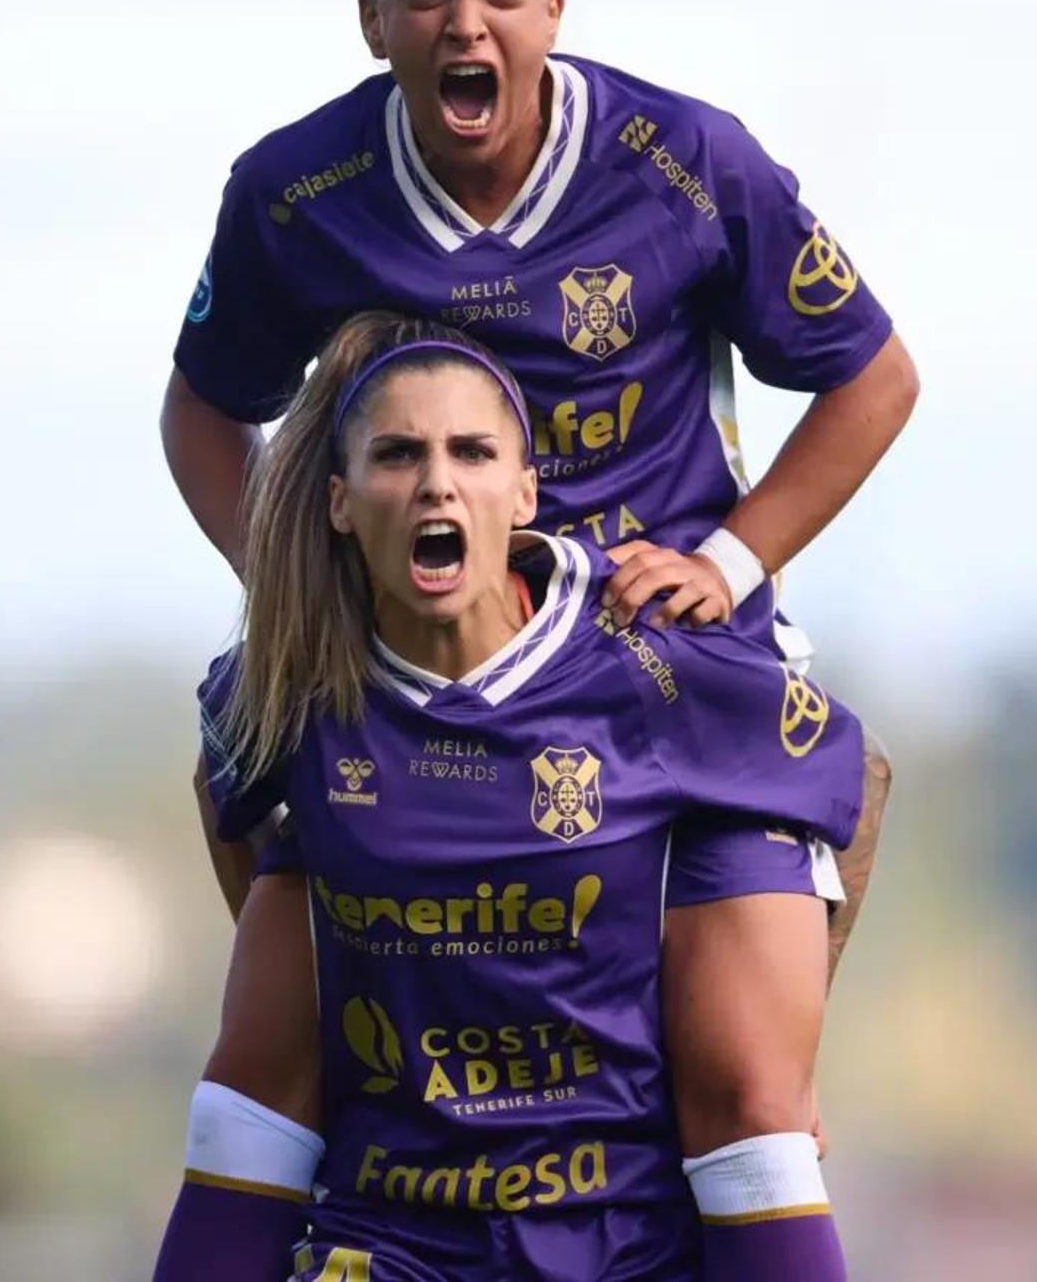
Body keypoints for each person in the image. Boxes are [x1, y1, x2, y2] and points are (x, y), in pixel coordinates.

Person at [161, 0, 911, 931]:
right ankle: (315, 1090)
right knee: (234, 773)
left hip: (640, 628)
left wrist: (731, 561)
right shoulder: (295, 193)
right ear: (373, 20)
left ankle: (758, 1107)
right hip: (407, 634)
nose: (468, 21)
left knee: (851, 790)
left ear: (554, 8)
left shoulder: (688, 163)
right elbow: (204, 412)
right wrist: (298, 587)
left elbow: (875, 377)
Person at [155, 314, 871, 1282]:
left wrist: (791, 1031)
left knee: (758, 1123)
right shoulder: (295, 682)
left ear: (524, 491)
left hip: (622, 1230)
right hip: (393, 1234)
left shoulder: (648, 657)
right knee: (244, 1082)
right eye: (399, 454)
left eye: (471, 453)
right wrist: (341, 961)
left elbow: (855, 777)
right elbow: (224, 787)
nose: (436, 483)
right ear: (340, 501)